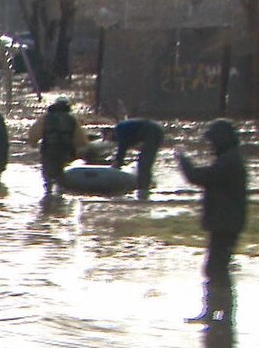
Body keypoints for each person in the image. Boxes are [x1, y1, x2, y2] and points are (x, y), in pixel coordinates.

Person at [177, 119, 248, 323]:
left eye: (213, 141)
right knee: (216, 268)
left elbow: (198, 177)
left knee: (216, 269)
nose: (211, 145)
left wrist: (184, 161)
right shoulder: (230, 158)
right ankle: (216, 313)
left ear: (222, 139)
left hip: (226, 223)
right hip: (227, 222)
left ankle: (222, 314)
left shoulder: (228, 161)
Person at [27, 96, 88, 196]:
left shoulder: (46, 118)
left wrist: (33, 143)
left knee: (47, 176)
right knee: (61, 175)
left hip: (48, 151)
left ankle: (48, 194)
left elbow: (34, 133)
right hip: (64, 151)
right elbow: (80, 139)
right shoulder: (72, 119)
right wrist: (81, 151)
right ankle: (60, 194)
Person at [102, 118, 165, 199]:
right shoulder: (121, 131)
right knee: (144, 161)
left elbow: (122, 148)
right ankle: (144, 185)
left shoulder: (119, 130)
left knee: (144, 163)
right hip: (153, 131)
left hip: (152, 131)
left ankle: (143, 189)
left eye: (107, 137)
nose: (109, 140)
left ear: (110, 132)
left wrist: (117, 163)